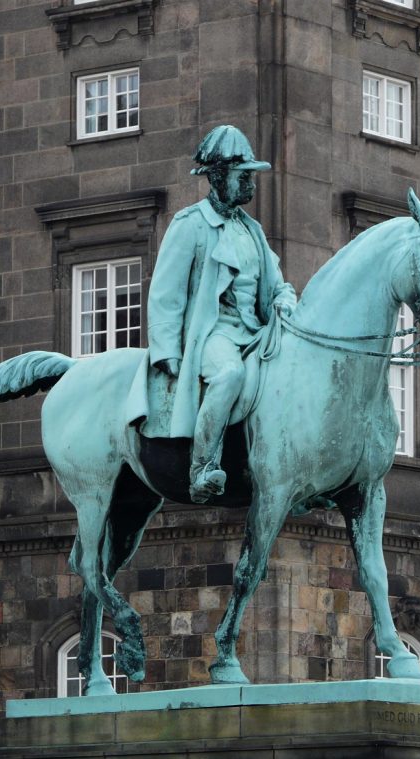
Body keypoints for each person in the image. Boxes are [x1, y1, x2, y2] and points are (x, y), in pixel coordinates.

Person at [146, 125, 297, 503]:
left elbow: (277, 283)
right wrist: (166, 349)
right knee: (229, 376)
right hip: (215, 333)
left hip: (256, 332)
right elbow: (166, 293)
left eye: (252, 176)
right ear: (217, 177)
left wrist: (285, 300)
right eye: (242, 175)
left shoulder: (253, 230)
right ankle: (202, 469)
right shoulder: (190, 225)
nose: (251, 183)